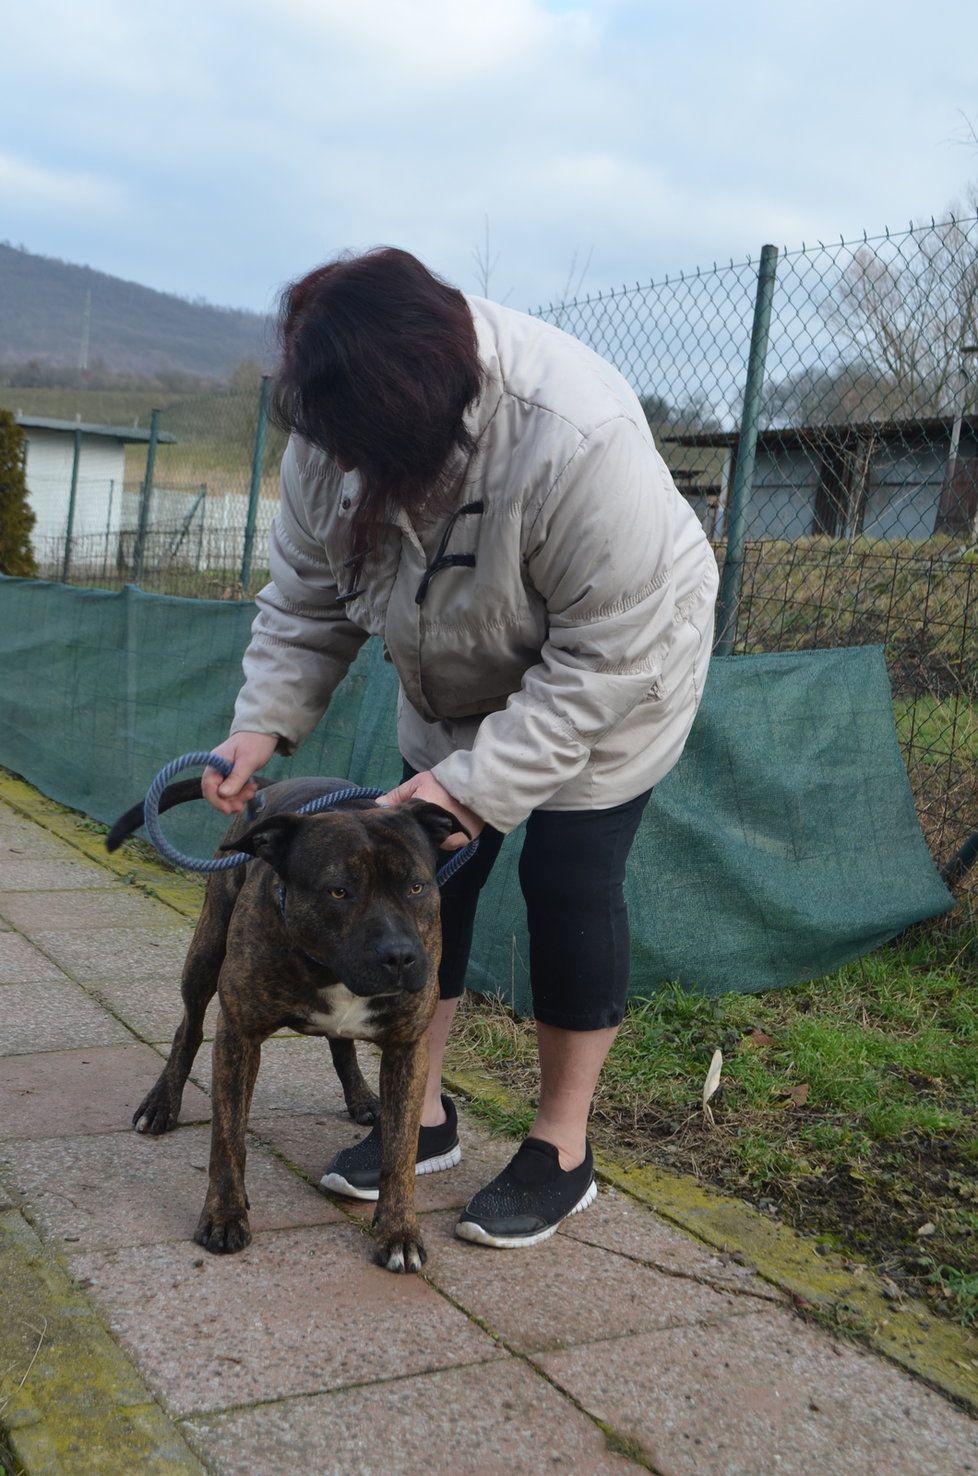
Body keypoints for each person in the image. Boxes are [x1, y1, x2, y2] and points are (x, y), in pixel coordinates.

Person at [202, 247, 718, 1248]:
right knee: (427, 883)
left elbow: (606, 658)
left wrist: (479, 785)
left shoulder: (575, 437)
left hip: (613, 678)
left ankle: (561, 1149)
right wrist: (258, 724)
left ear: (427, 411)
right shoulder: (338, 425)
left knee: (569, 881)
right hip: (451, 680)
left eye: (365, 458)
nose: (344, 474)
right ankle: (421, 1115)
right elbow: (308, 599)